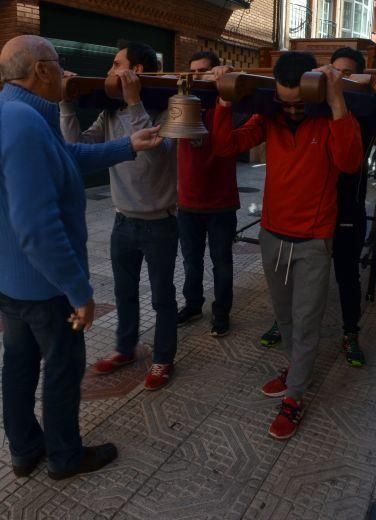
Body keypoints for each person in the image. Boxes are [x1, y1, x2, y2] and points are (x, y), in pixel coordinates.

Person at [0, 35, 162, 480]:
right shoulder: (23, 121)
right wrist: (79, 292)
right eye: (59, 61)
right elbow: (37, 227)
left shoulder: (15, 113)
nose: (67, 70)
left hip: (13, 283)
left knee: (17, 365)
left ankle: (25, 450)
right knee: (62, 370)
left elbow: (66, 156)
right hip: (45, 288)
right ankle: (65, 457)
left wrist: (130, 145)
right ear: (42, 71)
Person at [211, 52, 363, 439]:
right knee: (286, 316)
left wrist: (335, 101)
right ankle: (296, 368)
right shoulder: (271, 116)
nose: (293, 109)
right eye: (286, 102)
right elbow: (226, 146)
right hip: (273, 234)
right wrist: (225, 100)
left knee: (307, 321)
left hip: (313, 239)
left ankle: (295, 396)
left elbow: (349, 162)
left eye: (300, 101)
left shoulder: (333, 119)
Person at [260, 47, 376, 367]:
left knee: (347, 274)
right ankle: (285, 324)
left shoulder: (361, 106)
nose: (336, 78)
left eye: (345, 73)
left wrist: (374, 83)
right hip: (309, 210)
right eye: (331, 72)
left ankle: (350, 332)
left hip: (346, 208)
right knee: (292, 279)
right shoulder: (312, 108)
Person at [60, 41, 178, 390]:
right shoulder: (108, 113)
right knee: (125, 292)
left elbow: (157, 154)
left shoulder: (168, 110)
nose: (110, 72)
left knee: (162, 297)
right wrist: (66, 103)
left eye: (116, 64)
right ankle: (125, 348)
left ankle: (163, 358)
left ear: (136, 71)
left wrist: (134, 102)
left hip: (160, 223)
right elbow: (76, 150)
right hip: (122, 220)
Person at [177, 51, 239, 337]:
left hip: (221, 204)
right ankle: (192, 305)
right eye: (193, 72)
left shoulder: (227, 104)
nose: (197, 76)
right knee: (191, 261)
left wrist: (228, 79)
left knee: (222, 263)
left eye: (204, 71)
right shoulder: (182, 103)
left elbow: (246, 94)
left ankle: (222, 313)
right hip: (188, 202)